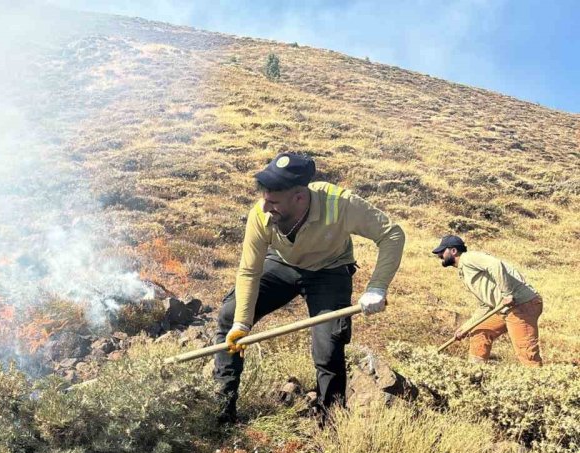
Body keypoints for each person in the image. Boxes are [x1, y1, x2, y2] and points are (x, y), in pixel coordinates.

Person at [214, 152, 406, 424]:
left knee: (328, 348)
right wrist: (242, 324)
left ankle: (330, 423)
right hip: (282, 264)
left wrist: (377, 287)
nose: (266, 207)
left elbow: (392, 234)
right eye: (265, 199)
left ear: (300, 198)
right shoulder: (261, 212)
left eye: (274, 202)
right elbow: (249, 271)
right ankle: (222, 408)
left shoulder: (339, 204)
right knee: (229, 316)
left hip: (329, 271)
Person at [432, 235, 543, 366]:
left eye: (442, 251)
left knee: (526, 352)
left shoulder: (468, 258)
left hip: (521, 305)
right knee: (479, 331)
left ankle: (537, 382)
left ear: (454, 251)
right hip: (506, 308)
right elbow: (485, 304)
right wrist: (466, 327)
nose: (439, 255)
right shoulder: (464, 271)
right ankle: (475, 373)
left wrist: (507, 293)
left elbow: (495, 264)